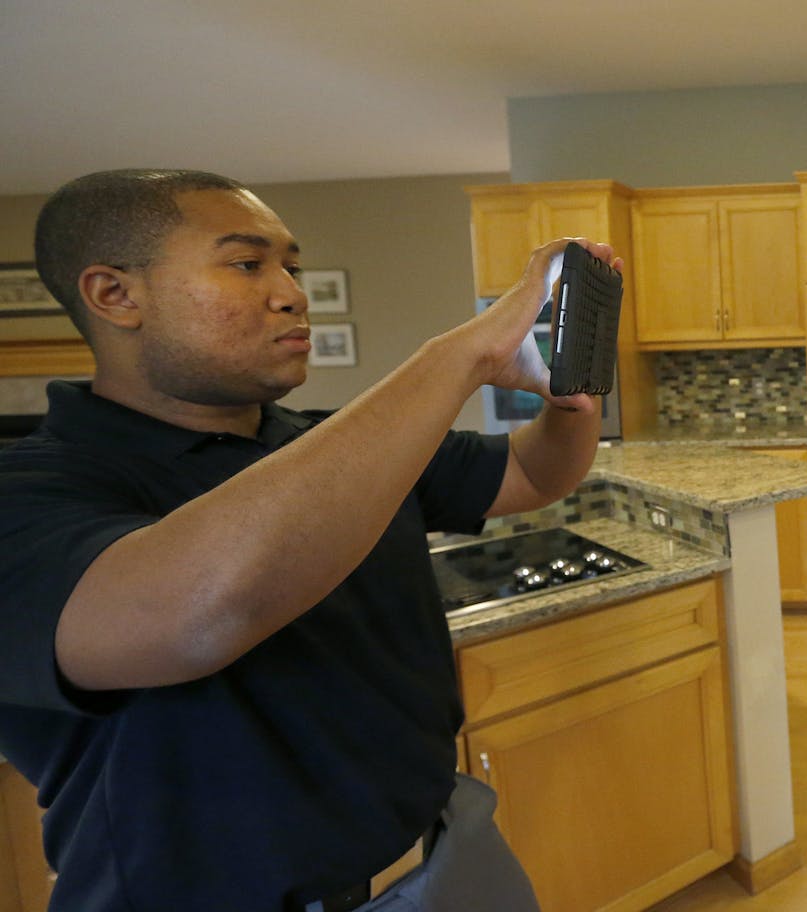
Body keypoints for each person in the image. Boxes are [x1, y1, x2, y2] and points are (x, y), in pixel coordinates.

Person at [0, 169, 619, 912]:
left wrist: (572, 389)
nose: (291, 291)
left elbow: (529, 471)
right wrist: (454, 358)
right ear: (115, 295)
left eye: (290, 264)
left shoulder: (326, 440)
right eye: (246, 263)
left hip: (442, 859)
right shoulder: (31, 494)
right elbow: (197, 615)